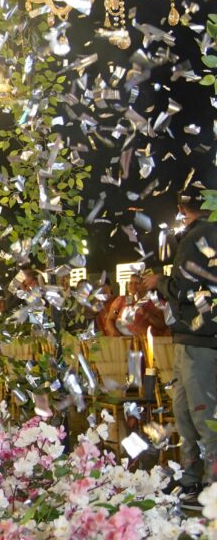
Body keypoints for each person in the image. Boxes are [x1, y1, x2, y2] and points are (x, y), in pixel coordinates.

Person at [143, 183, 217, 508]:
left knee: (201, 417)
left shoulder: (197, 236)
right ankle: (192, 483)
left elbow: (183, 288)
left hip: (199, 342)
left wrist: (157, 282)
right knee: (187, 414)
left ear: (183, 209)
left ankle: (209, 489)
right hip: (194, 340)